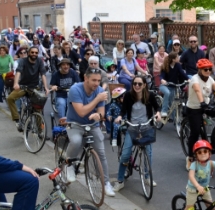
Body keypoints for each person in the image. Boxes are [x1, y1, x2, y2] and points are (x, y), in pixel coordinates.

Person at [65, 68, 115, 197]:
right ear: (85, 78)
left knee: (101, 153)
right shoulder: (75, 89)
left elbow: (101, 112)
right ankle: (69, 164)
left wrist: (98, 115)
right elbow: (81, 112)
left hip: (92, 125)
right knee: (76, 141)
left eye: (99, 80)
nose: (97, 84)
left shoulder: (99, 91)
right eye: (94, 80)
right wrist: (97, 99)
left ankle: (106, 183)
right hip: (75, 123)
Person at [112, 74, 161, 191]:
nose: (137, 86)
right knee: (125, 154)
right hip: (132, 127)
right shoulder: (128, 96)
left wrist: (158, 113)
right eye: (135, 84)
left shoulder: (150, 95)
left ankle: (147, 177)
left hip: (146, 127)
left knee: (148, 154)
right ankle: (120, 180)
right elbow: (123, 110)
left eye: (140, 84)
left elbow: (157, 107)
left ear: (144, 85)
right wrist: (119, 117)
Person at [185, 59, 215, 163]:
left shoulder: (210, 79)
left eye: (210, 69)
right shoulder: (195, 79)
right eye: (205, 69)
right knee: (195, 132)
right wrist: (201, 102)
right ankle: (190, 157)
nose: (208, 71)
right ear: (199, 70)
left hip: (206, 106)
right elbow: (197, 90)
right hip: (194, 108)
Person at [7, 46, 49, 131]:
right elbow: (18, 72)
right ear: (29, 53)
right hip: (23, 87)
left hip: (34, 88)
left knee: (38, 109)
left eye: (36, 53)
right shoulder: (23, 61)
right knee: (10, 98)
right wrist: (16, 84)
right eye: (32, 52)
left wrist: (46, 87)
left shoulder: (39, 61)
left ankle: (40, 133)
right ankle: (17, 120)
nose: (34, 54)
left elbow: (43, 74)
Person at [159, 52, 188, 116]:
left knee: (172, 103)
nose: (179, 58)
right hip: (165, 86)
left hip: (173, 86)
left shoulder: (178, 65)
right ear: (173, 59)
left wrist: (188, 79)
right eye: (177, 57)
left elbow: (182, 73)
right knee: (167, 93)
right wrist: (162, 80)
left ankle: (175, 119)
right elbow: (162, 75)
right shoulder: (165, 65)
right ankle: (164, 111)